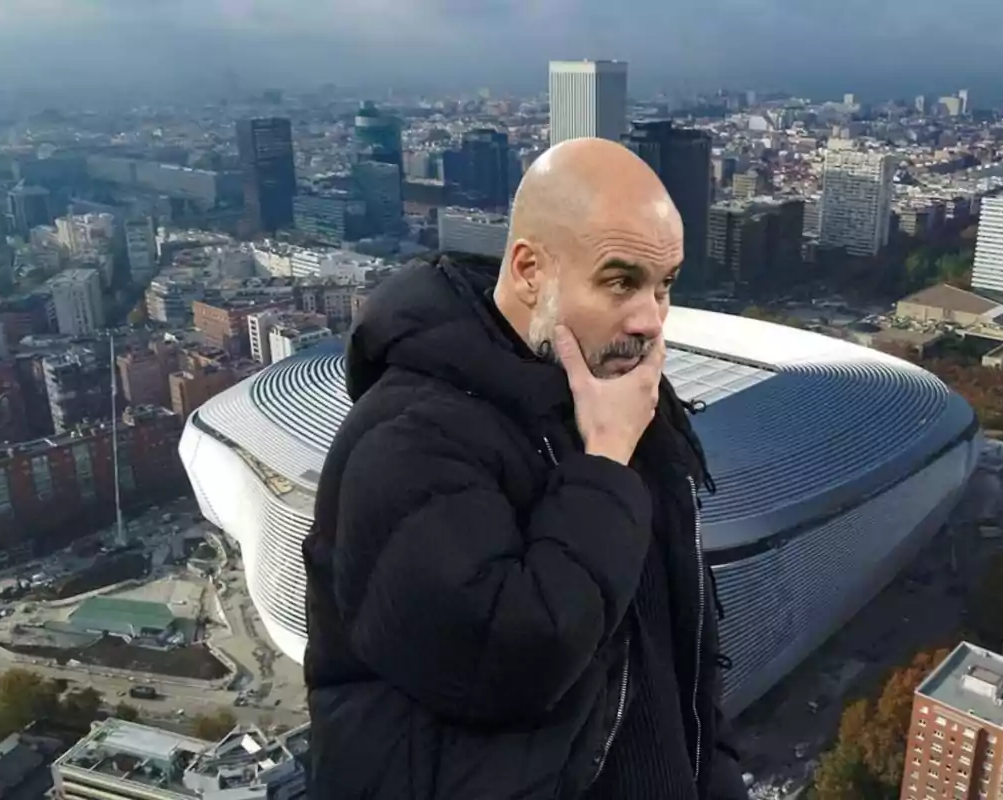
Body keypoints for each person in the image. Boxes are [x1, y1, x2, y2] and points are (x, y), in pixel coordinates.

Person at [302, 137, 748, 800]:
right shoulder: (408, 441)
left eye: (665, 286)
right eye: (621, 281)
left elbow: (673, 656)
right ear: (531, 269)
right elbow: (505, 662)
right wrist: (602, 467)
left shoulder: (617, 408)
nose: (652, 320)